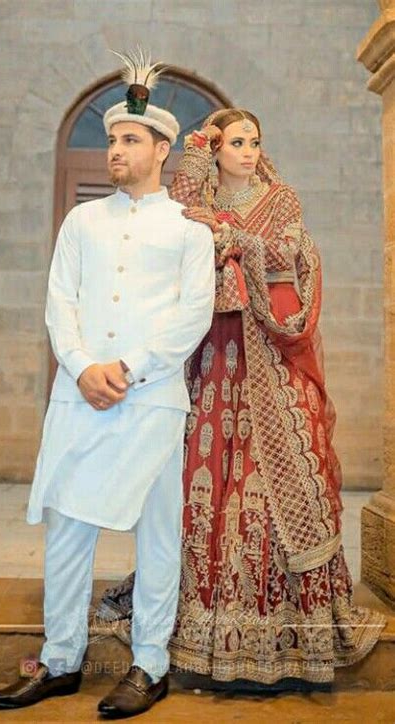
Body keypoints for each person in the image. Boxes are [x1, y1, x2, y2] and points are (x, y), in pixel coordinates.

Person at [98, 107, 386, 687]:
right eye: (235, 142)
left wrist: (236, 242)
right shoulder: (192, 207)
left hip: (271, 361)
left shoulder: (280, 200)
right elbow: (179, 240)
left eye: (255, 141)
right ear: (216, 149)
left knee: (289, 484)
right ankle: (196, 625)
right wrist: (199, 157)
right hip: (209, 361)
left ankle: (291, 634)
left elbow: (294, 257)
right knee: (204, 479)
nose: (249, 151)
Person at [0, 50, 215, 718]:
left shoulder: (188, 230)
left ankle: (149, 665)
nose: (115, 148)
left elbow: (191, 314)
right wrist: (84, 366)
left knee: (157, 534)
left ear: (162, 148)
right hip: (80, 395)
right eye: (111, 139)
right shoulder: (81, 221)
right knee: (67, 525)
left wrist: (130, 368)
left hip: (151, 398)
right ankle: (60, 660)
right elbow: (61, 301)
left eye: (128, 139)